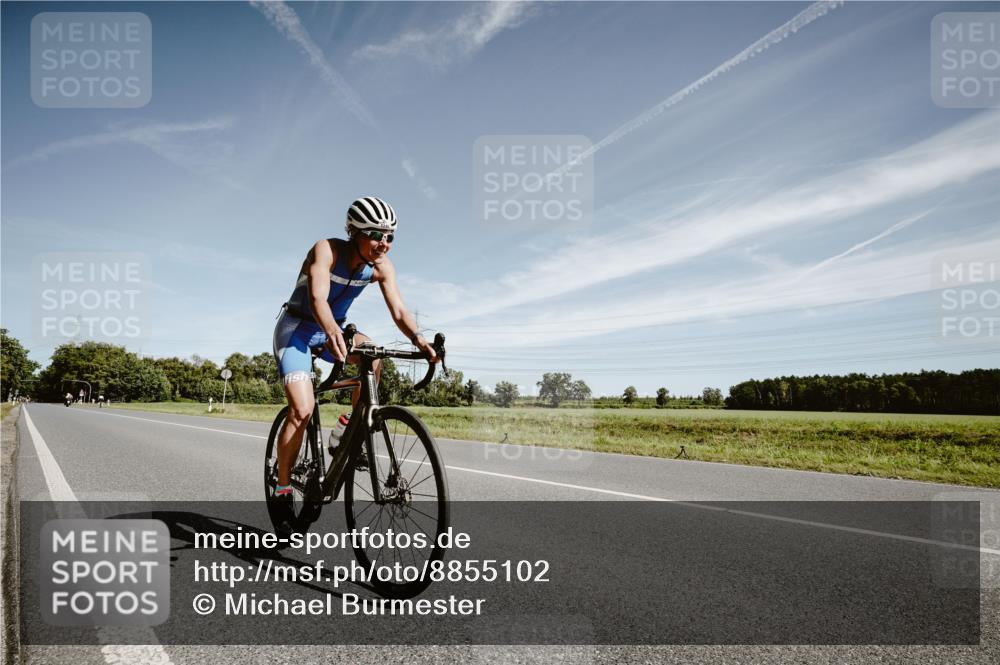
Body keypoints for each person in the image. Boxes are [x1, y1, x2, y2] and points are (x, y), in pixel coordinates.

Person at [271, 196, 436, 498]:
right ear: (354, 232)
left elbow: (399, 311)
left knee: (373, 356)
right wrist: (331, 328)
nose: (384, 243)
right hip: (297, 329)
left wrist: (419, 340)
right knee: (303, 410)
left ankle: (347, 426)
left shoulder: (382, 267)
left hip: (335, 330)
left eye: (389, 236)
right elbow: (317, 299)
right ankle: (282, 487)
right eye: (375, 234)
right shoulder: (327, 250)